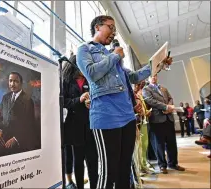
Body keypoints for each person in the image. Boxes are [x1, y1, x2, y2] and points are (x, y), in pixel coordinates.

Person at [76, 15, 172, 188]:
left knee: (124, 168)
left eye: (114, 29)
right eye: (110, 27)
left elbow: (133, 76)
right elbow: (92, 73)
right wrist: (114, 57)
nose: (113, 33)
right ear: (98, 27)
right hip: (105, 116)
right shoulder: (85, 49)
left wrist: (158, 64)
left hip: (127, 116)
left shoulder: (111, 55)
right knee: (108, 171)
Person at [63, 55, 98, 189]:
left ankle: (94, 185)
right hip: (75, 127)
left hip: (92, 125)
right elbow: (63, 102)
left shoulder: (91, 80)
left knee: (93, 159)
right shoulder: (66, 81)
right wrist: (79, 100)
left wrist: (93, 103)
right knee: (78, 161)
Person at [142, 75, 185, 174]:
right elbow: (150, 101)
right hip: (156, 120)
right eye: (151, 76)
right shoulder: (146, 89)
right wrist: (165, 107)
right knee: (159, 144)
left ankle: (173, 164)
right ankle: (162, 165)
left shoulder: (164, 88)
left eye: (155, 76)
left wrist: (169, 106)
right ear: (148, 78)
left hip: (168, 119)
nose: (154, 77)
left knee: (172, 143)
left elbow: (170, 98)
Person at [0, 72, 37, 154]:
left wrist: (16, 138)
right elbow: (0, 116)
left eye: (15, 81)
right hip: (3, 139)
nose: (12, 84)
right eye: (10, 81)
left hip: (19, 144)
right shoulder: (5, 97)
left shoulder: (28, 100)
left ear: (21, 83)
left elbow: (30, 124)